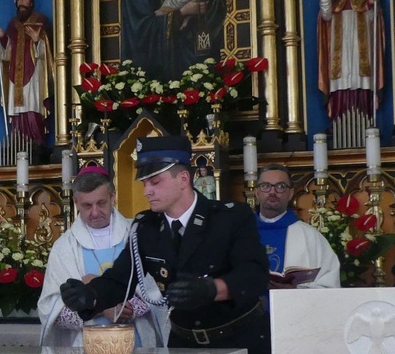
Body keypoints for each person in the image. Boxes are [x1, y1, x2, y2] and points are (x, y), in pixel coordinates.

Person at [60, 135, 270, 353]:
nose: (146, 191)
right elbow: (121, 279)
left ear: (183, 179)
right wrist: (90, 296)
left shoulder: (230, 218)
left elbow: (254, 274)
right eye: (144, 183)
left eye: (155, 182)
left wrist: (213, 289)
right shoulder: (146, 227)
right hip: (183, 343)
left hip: (238, 340)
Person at [37, 166, 165, 347]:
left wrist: (126, 308)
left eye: (101, 203)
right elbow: (50, 311)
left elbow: (158, 290)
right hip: (84, 344)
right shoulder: (64, 247)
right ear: (75, 202)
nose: (95, 212)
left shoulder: (136, 233)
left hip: (138, 342)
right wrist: (100, 307)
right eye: (87, 206)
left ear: (113, 197)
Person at [317, 0, 384, 130]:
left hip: (360, 41)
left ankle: (364, 123)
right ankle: (340, 125)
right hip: (339, 44)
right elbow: (326, 15)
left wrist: (372, 3)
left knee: (361, 79)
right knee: (341, 80)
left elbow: (374, 21)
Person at [254, 164, 341, 289]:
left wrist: (295, 292)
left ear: (290, 193)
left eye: (280, 186)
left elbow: (329, 285)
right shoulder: (241, 233)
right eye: (266, 186)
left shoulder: (310, 236)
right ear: (257, 192)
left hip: (294, 307)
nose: (272, 192)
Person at [0, 0, 54, 144]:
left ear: (31, 2)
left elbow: (48, 50)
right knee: (18, 109)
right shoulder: (13, 24)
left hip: (34, 72)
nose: (21, 2)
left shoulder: (40, 20)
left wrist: (37, 39)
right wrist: (3, 37)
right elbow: (9, 49)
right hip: (15, 74)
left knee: (33, 104)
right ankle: (19, 141)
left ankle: (36, 140)